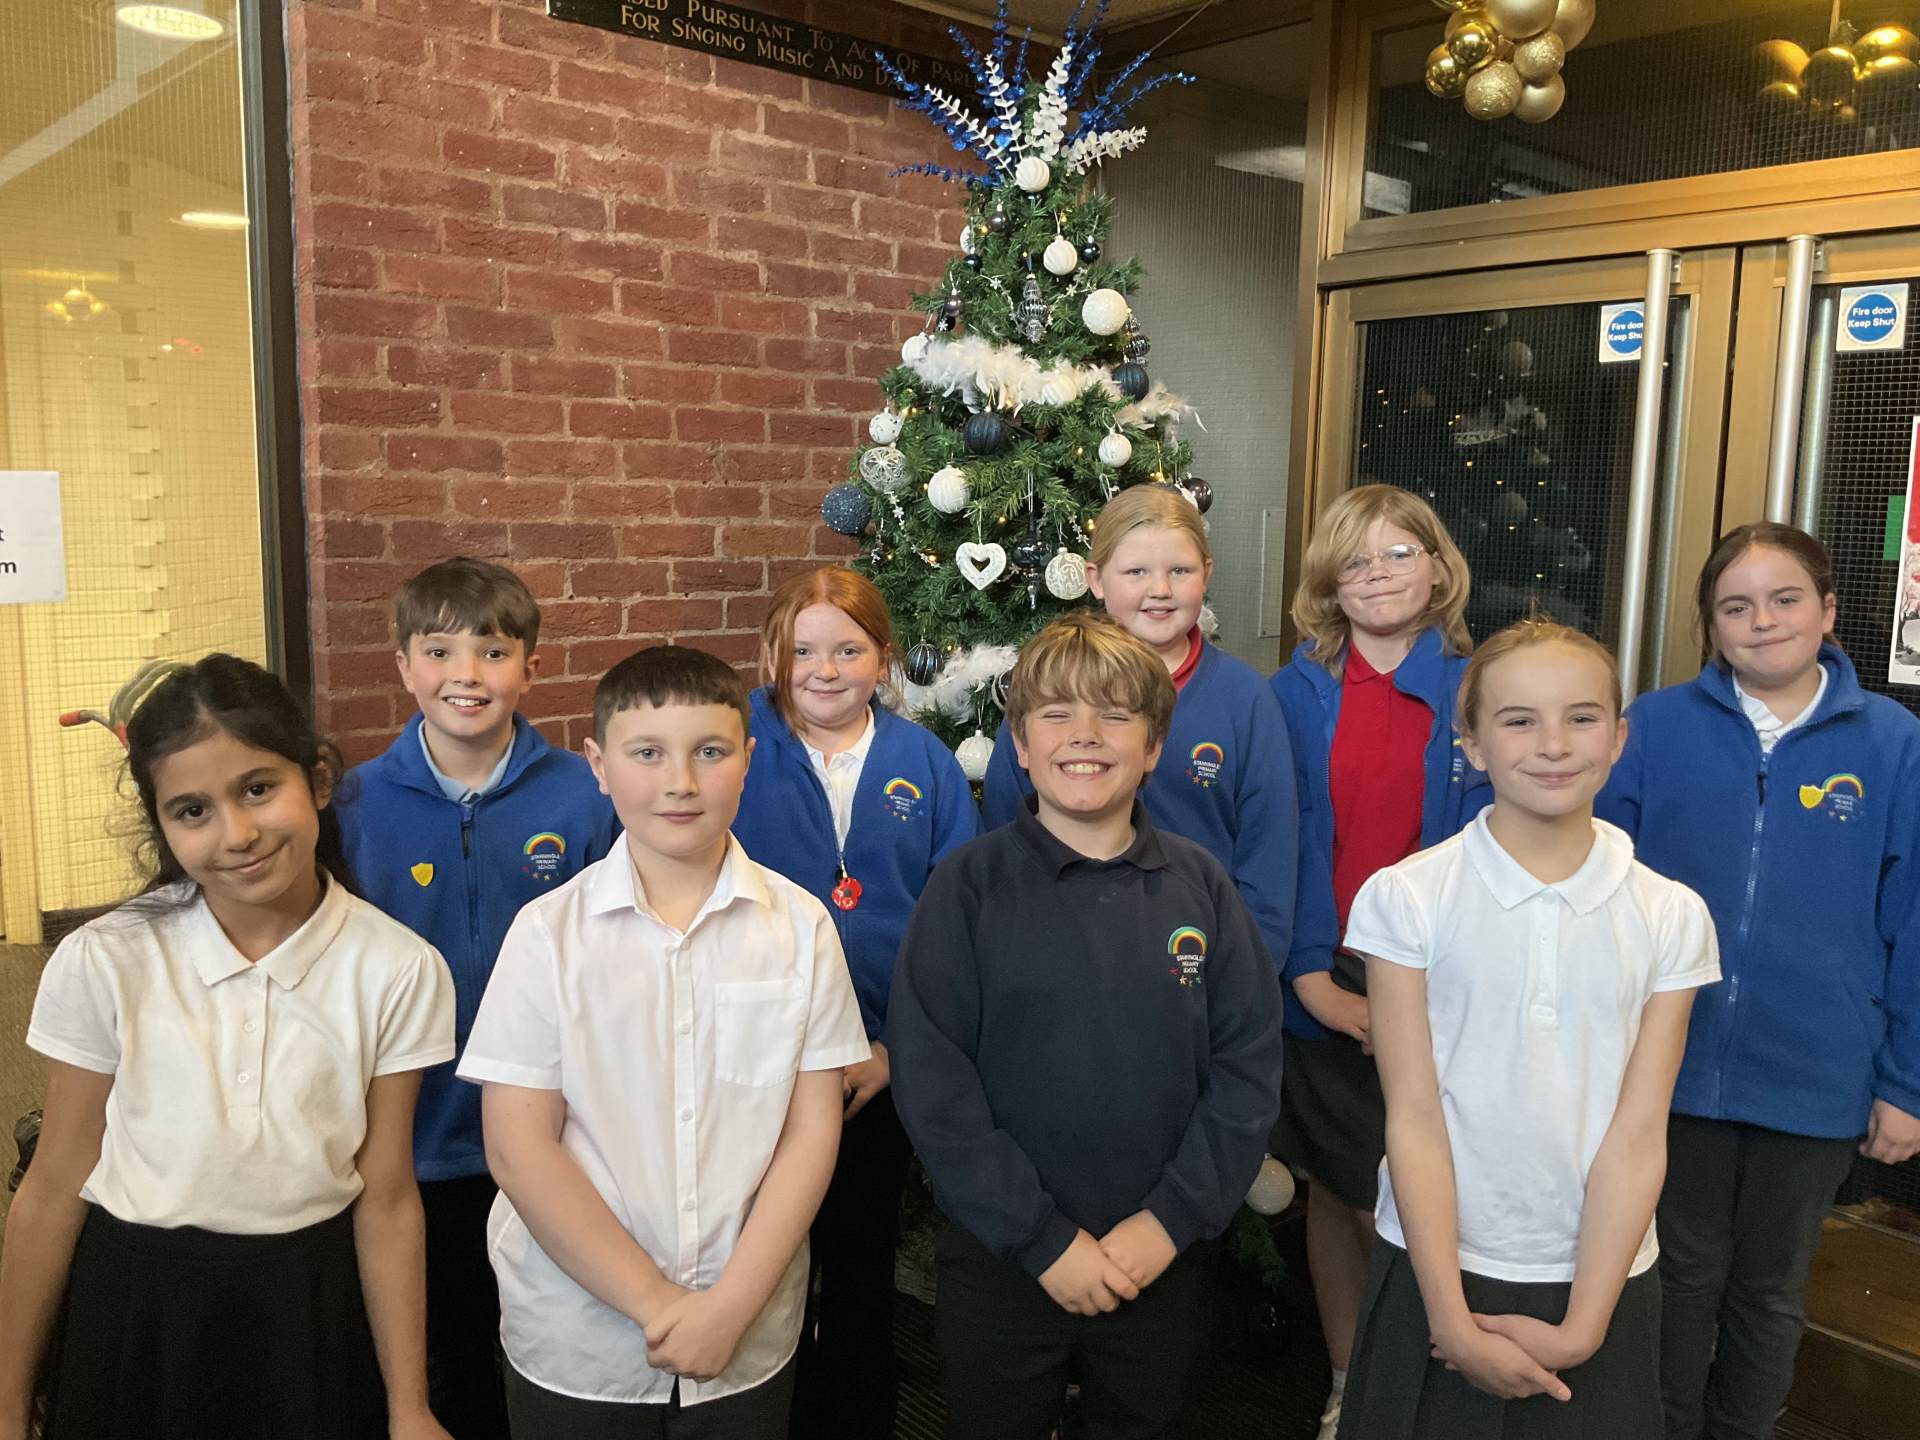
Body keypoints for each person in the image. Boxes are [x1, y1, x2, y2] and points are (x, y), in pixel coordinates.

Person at [0, 655, 456, 1440]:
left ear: (317, 781)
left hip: (308, 1309)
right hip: (136, 1308)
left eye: (257, 789)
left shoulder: (397, 968)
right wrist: (8, 1405)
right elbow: (52, 1185)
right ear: (162, 824)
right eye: (192, 810)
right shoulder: (106, 958)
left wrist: (408, 1406)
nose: (237, 835)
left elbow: (386, 1197)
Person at [456, 645, 870, 1439]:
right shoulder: (547, 936)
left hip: (747, 1330)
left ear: (748, 760)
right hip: (578, 1339)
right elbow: (519, 1147)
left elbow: (812, 1129)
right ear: (598, 765)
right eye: (647, 753)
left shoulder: (801, 927)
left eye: (709, 752)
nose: (680, 782)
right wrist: (657, 1305)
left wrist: (732, 1305)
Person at [891, 611, 1283, 1440]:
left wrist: (1169, 1221)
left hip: (1160, 1260)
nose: (1085, 735)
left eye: (1115, 715)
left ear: (1154, 746)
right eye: (1057, 713)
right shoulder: (966, 889)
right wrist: (1040, 1239)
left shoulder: (1203, 889)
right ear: (1020, 745)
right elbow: (934, 1082)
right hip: (1003, 1259)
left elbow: (1246, 1070)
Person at [1337, 618, 1719, 1440]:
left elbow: (1639, 1132)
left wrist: (1583, 1328)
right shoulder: (1408, 898)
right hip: (1436, 1267)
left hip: (1602, 1278)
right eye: (1518, 720)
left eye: (1582, 717)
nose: (1553, 744)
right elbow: (1414, 1117)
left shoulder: (1670, 915)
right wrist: (1451, 1322)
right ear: (1471, 744)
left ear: (1618, 738)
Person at [1596, 523, 1920, 1440]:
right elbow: (1603, 881)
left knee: (1771, 1287)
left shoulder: (1894, 742)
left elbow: (1914, 922)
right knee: (1677, 1273)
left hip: (1817, 1073)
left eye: (1785, 600)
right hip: (1671, 1067)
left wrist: (1905, 1083)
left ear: (1828, 610)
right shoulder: (1654, 725)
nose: (1762, 621)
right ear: (1711, 624)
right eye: (1735, 606)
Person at [335, 557, 619, 1438]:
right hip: (413, 1140)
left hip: (555, 1133)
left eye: (493, 653)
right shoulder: (353, 804)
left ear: (530, 667)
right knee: (438, 1350)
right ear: (403, 666)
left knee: (552, 1337)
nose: (466, 675)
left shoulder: (586, 794)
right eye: (439, 651)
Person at [728, 567, 977, 1440]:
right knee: (759, 1257)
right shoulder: (734, 743)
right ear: (773, 655)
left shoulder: (925, 763)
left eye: (849, 650)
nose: (825, 670)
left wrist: (895, 1050)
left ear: (885, 657)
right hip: (756, 1063)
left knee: (861, 1261)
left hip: (875, 1066)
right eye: (803, 651)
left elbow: (954, 923)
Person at [1267, 484, 1487, 1440]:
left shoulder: (1480, 684)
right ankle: (1350, 1383)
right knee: (1340, 1189)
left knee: (1414, 1195)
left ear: (1438, 568)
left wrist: (1427, 992)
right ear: (1329, 582)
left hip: (1447, 985)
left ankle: (1422, 1383)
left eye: (1400, 553)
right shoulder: (1293, 694)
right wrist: (1311, 977)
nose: (1378, 573)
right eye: (1355, 559)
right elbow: (1284, 840)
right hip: (1330, 977)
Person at [982, 485, 1297, 1008]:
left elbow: (1271, 860)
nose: (1160, 590)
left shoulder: (1246, 700)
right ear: (1095, 579)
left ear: (1207, 574)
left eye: (1180, 570)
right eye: (1136, 572)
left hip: (1205, 973)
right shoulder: (1044, 693)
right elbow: (1003, 835)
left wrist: (1245, 985)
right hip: (1057, 968)